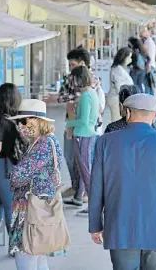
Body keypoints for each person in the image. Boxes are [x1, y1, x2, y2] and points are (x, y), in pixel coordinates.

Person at [89, 93, 156, 270]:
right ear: (155, 115)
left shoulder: (105, 142)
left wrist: (95, 225)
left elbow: (96, 187)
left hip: (120, 227)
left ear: (127, 113)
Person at [7, 99, 65, 269]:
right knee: (38, 259)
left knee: (26, 257)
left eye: (24, 121)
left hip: (32, 210)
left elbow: (18, 175)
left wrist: (13, 175)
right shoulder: (43, 141)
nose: (20, 126)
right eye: (19, 122)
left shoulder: (43, 144)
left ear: (38, 121)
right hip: (38, 208)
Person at [44, 47, 94, 201]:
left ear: (82, 64)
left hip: (82, 129)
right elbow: (66, 95)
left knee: (83, 164)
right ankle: (78, 189)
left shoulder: (89, 83)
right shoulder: (72, 79)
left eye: (73, 64)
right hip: (74, 125)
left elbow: (74, 98)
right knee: (70, 157)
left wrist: (60, 100)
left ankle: (85, 193)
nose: (71, 68)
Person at [0, 83, 22, 248]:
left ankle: (15, 245)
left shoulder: (1, 119)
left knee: (8, 207)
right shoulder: (20, 117)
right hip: (17, 166)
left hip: (5, 168)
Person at [63, 66, 99, 215]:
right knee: (82, 169)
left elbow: (83, 121)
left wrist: (69, 124)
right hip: (87, 134)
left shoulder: (85, 97)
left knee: (85, 171)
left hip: (83, 135)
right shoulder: (91, 94)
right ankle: (79, 197)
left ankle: (94, 206)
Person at [107, 47, 134, 122]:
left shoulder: (120, 69)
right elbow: (120, 87)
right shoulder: (118, 70)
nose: (130, 60)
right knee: (117, 122)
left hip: (119, 100)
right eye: (129, 57)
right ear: (123, 58)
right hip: (117, 100)